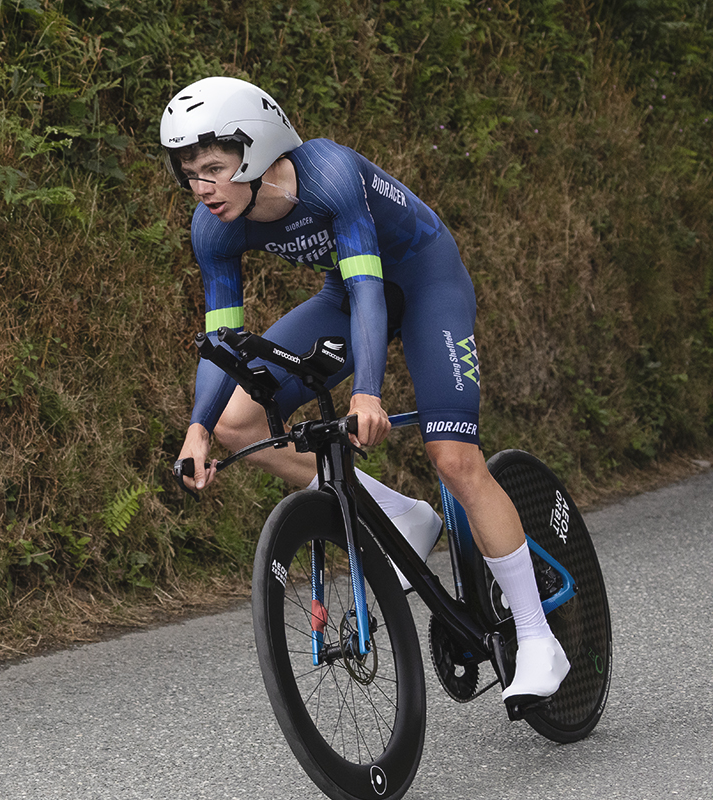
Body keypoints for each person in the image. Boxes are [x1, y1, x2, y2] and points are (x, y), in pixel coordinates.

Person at [161, 76, 569, 702]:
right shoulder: (214, 227)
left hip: (425, 281)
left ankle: (540, 639)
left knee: (454, 458)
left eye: (214, 167)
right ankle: (400, 515)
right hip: (344, 295)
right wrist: (196, 427)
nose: (202, 187)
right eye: (190, 173)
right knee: (236, 423)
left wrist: (368, 392)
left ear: (261, 148)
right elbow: (223, 338)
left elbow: (371, 289)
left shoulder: (328, 172)